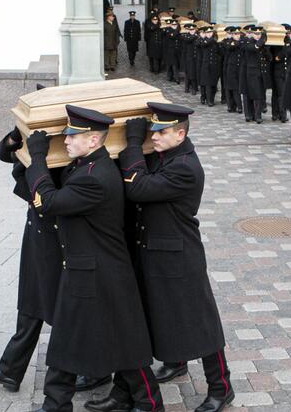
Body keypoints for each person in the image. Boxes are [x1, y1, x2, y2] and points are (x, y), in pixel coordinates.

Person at [24, 105, 162, 412]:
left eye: (73, 136)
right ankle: (57, 404)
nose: (66, 141)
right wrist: (19, 154)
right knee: (72, 340)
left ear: (94, 141)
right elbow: (38, 188)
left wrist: (36, 158)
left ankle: (149, 404)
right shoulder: (83, 167)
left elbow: (47, 201)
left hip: (100, 274)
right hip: (87, 269)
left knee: (122, 344)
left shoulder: (94, 177)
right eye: (67, 135)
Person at [0, 88, 111, 395]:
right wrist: (18, 134)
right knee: (32, 299)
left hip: (57, 236)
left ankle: (95, 371)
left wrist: (39, 154)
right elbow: (4, 153)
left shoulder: (69, 151)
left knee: (63, 307)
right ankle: (11, 369)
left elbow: (47, 192)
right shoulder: (45, 142)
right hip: (36, 230)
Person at [117, 103, 234, 412]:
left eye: (161, 131)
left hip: (179, 254)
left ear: (180, 134)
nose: (153, 136)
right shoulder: (165, 155)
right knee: (162, 311)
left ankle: (221, 387)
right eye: (152, 130)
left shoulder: (184, 166)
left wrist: (131, 143)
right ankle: (175, 361)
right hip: (155, 248)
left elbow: (138, 188)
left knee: (200, 321)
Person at [239, 26, 270, 123]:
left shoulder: (262, 44)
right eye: (256, 34)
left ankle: (258, 115)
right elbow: (255, 48)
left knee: (259, 94)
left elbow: (268, 57)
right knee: (250, 94)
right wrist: (262, 39)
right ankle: (249, 114)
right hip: (250, 72)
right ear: (252, 34)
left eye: (260, 34)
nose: (258, 36)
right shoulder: (247, 42)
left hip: (260, 72)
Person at [196, 25, 222, 107]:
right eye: (207, 32)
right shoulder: (203, 41)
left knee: (213, 84)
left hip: (215, 65)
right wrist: (213, 38)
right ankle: (208, 99)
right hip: (206, 65)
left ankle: (211, 99)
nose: (209, 34)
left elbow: (219, 52)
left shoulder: (215, 41)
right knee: (206, 83)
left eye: (210, 32)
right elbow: (202, 44)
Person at [222, 26, 243, 113]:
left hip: (240, 67)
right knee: (230, 87)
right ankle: (231, 106)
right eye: (235, 34)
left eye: (238, 34)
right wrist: (239, 42)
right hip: (230, 67)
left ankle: (238, 106)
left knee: (237, 88)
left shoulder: (242, 41)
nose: (237, 36)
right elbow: (230, 47)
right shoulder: (228, 42)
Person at [180, 23, 199, 95]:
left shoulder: (197, 36)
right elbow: (188, 40)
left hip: (195, 57)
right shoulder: (186, 36)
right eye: (190, 30)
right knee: (188, 73)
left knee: (194, 73)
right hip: (188, 58)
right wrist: (195, 35)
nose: (192, 31)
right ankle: (187, 88)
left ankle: (194, 88)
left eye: (193, 30)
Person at [163, 18, 182, 83]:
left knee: (175, 64)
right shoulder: (168, 30)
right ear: (171, 25)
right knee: (171, 64)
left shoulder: (179, 31)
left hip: (177, 50)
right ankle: (174, 78)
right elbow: (173, 36)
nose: (174, 25)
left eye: (175, 24)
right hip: (170, 50)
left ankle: (172, 77)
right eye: (173, 24)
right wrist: (178, 29)